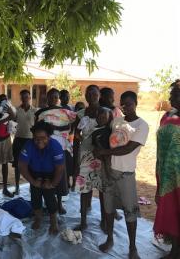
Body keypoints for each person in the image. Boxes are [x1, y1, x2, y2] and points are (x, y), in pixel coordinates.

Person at [94, 91, 149, 259]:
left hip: (126, 174)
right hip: (108, 171)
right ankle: (110, 239)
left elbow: (129, 148)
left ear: (136, 103)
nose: (126, 108)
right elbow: (104, 134)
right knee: (109, 209)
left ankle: (133, 248)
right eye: (123, 104)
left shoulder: (142, 125)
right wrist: (99, 148)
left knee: (130, 211)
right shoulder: (117, 121)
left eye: (129, 104)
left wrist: (103, 151)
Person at [18, 121, 65, 235]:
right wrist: (33, 182)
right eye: (36, 138)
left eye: (43, 137)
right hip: (35, 173)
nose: (39, 141)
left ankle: (53, 222)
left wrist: (52, 184)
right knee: (35, 197)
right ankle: (38, 218)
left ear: (49, 136)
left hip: (51, 174)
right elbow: (22, 166)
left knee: (50, 197)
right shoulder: (29, 145)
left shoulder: (55, 145)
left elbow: (60, 168)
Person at [35, 88, 75, 214]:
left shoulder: (65, 112)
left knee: (59, 177)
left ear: (58, 98)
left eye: (55, 97)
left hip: (60, 148)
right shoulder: (41, 112)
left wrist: (55, 128)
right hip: (45, 149)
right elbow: (37, 129)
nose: (53, 99)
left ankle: (58, 204)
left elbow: (69, 127)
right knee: (46, 176)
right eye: (51, 97)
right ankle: (46, 204)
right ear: (47, 98)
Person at [73, 85, 106, 231]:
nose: (92, 96)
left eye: (95, 93)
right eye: (89, 93)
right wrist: (75, 162)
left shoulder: (107, 113)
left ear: (99, 95)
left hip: (101, 156)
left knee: (102, 190)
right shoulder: (80, 114)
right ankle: (83, 221)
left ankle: (105, 221)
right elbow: (75, 138)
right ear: (85, 96)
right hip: (84, 156)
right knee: (84, 189)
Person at [154, 83, 180, 259]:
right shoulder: (167, 116)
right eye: (171, 94)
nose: (170, 98)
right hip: (167, 174)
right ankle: (175, 251)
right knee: (172, 213)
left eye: (175, 95)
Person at [12, 89, 37, 195]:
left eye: (26, 97)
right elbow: (12, 124)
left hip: (30, 140)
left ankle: (32, 186)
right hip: (18, 139)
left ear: (30, 98)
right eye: (23, 97)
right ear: (21, 98)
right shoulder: (16, 110)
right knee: (17, 165)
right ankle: (17, 187)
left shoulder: (35, 111)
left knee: (31, 165)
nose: (25, 99)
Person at [92, 107, 112, 181]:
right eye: (99, 117)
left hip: (107, 156)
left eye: (104, 117)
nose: (101, 119)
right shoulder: (94, 131)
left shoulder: (109, 130)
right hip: (98, 157)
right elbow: (94, 144)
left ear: (108, 118)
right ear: (96, 118)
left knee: (107, 174)